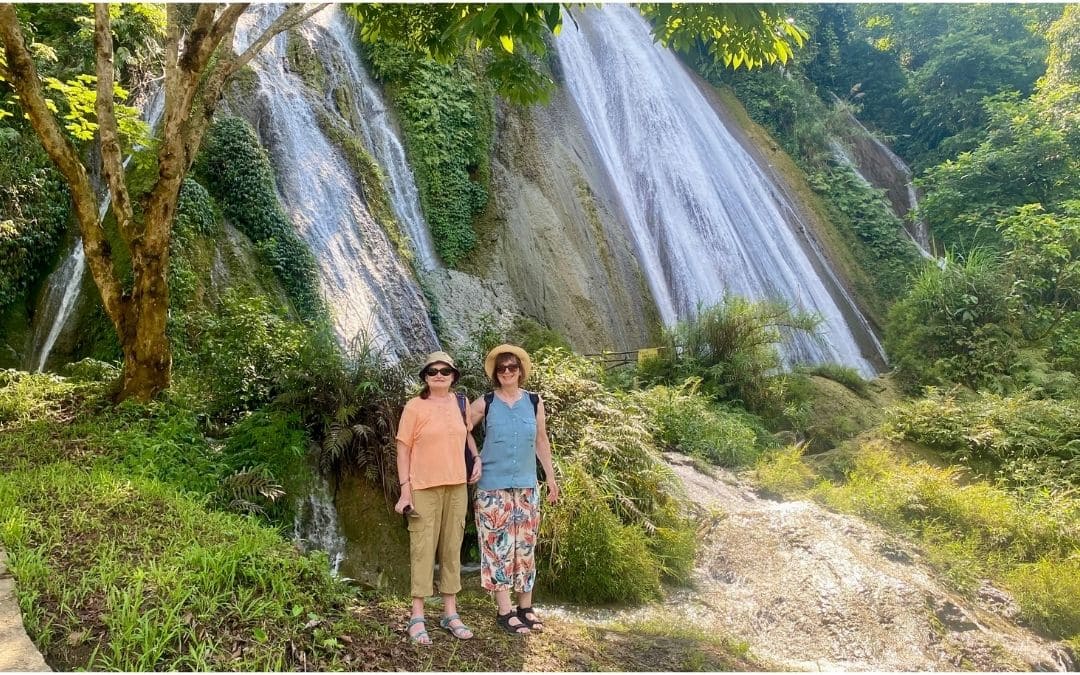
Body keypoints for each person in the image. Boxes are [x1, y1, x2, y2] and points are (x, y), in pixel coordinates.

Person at [470, 344, 560, 635]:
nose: (507, 371)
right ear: (496, 374)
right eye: (501, 368)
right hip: (492, 486)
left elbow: (541, 441)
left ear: (521, 370)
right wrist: (474, 458)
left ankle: (526, 608)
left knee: (524, 547)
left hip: (526, 485)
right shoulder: (486, 402)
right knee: (497, 548)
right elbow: (460, 429)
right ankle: (504, 611)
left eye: (512, 366)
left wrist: (551, 478)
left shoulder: (534, 401)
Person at [394, 351, 482, 645]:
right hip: (423, 487)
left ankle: (450, 613)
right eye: (433, 372)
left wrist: (476, 457)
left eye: (445, 371)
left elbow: (466, 434)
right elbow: (403, 448)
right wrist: (405, 489)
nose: (439, 376)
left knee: (451, 547)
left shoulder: (462, 403)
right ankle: (417, 616)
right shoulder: (414, 406)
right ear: (425, 377)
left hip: (456, 486)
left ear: (453, 376)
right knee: (422, 548)